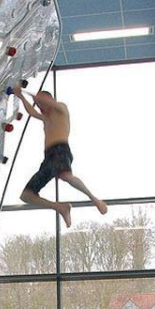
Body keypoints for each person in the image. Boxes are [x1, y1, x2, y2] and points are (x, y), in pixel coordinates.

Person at [14, 86, 108, 228]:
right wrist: (20, 96)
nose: (39, 107)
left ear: (49, 99)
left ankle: (93, 199)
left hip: (60, 150)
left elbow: (46, 102)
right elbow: (32, 112)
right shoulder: (46, 118)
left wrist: (28, 93)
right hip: (49, 156)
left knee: (65, 177)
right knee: (28, 195)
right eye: (38, 105)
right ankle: (60, 207)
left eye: (41, 103)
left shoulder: (61, 109)